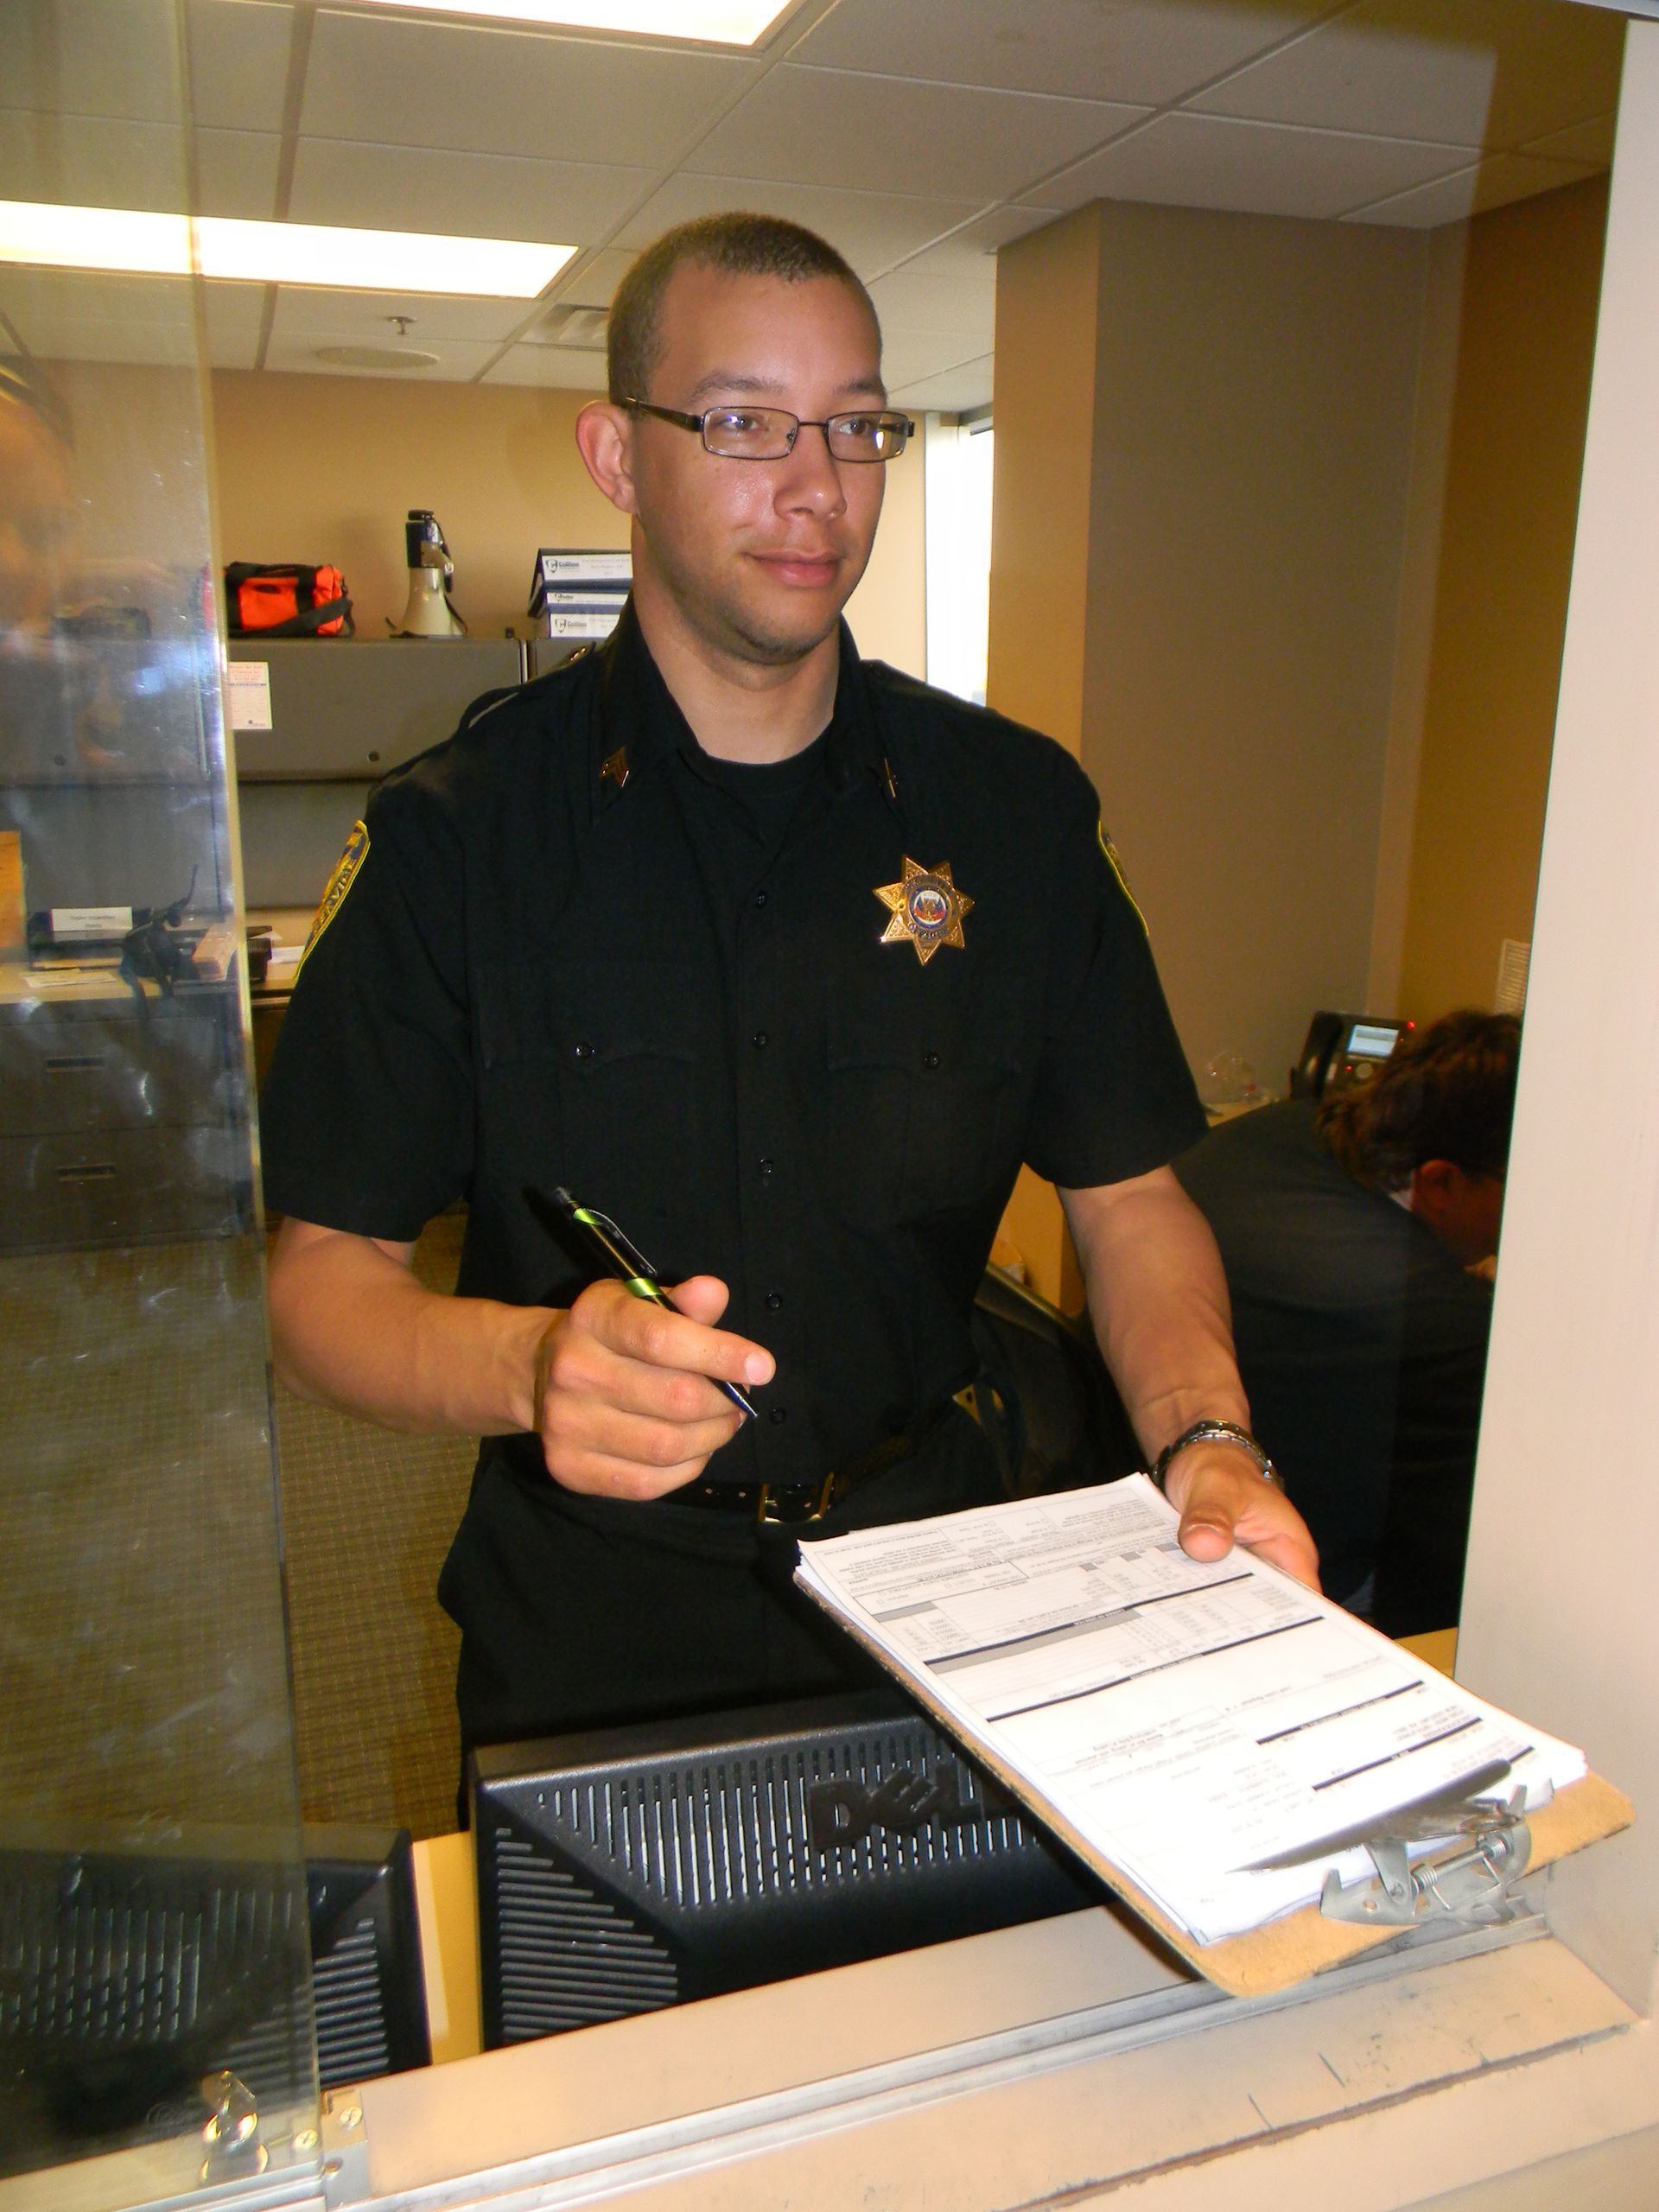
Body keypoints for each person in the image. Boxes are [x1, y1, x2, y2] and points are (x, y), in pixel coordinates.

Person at [260, 213, 1318, 1764]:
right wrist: (533, 1363)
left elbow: (1131, 1196)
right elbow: (322, 1275)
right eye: (746, 423)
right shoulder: (458, 836)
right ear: (619, 457)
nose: (818, 487)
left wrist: (1208, 1440)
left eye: (858, 427)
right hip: (597, 1623)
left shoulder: (1013, 813)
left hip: (954, 1596)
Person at [1173, 1010, 1521, 1637]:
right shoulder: (1442, 1328)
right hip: (1277, 1565)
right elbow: (1449, 1576)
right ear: (1441, 1182)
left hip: (1150, 1483)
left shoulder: (1276, 1131)